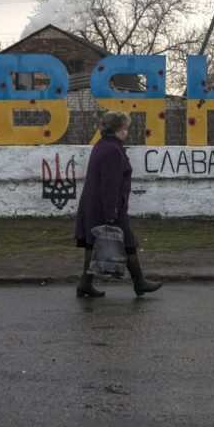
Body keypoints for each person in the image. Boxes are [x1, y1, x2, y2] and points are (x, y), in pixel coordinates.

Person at [74, 110, 162, 298]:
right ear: (115, 129)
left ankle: (85, 284)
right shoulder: (113, 150)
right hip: (108, 205)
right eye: (124, 128)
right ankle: (139, 282)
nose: (126, 132)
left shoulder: (101, 145)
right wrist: (111, 212)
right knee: (127, 241)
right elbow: (110, 184)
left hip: (93, 204)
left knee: (93, 243)